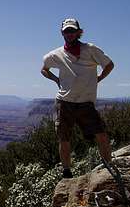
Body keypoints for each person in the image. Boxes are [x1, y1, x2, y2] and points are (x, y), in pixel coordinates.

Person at [41, 18, 115, 178]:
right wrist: (56, 80)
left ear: (79, 32)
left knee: (101, 134)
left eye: (72, 30)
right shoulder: (55, 54)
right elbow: (44, 69)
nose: (69, 34)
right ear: (62, 33)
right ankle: (67, 172)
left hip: (85, 103)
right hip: (64, 102)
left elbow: (109, 64)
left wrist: (99, 78)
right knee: (64, 138)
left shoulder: (90, 49)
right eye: (67, 31)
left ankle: (109, 168)